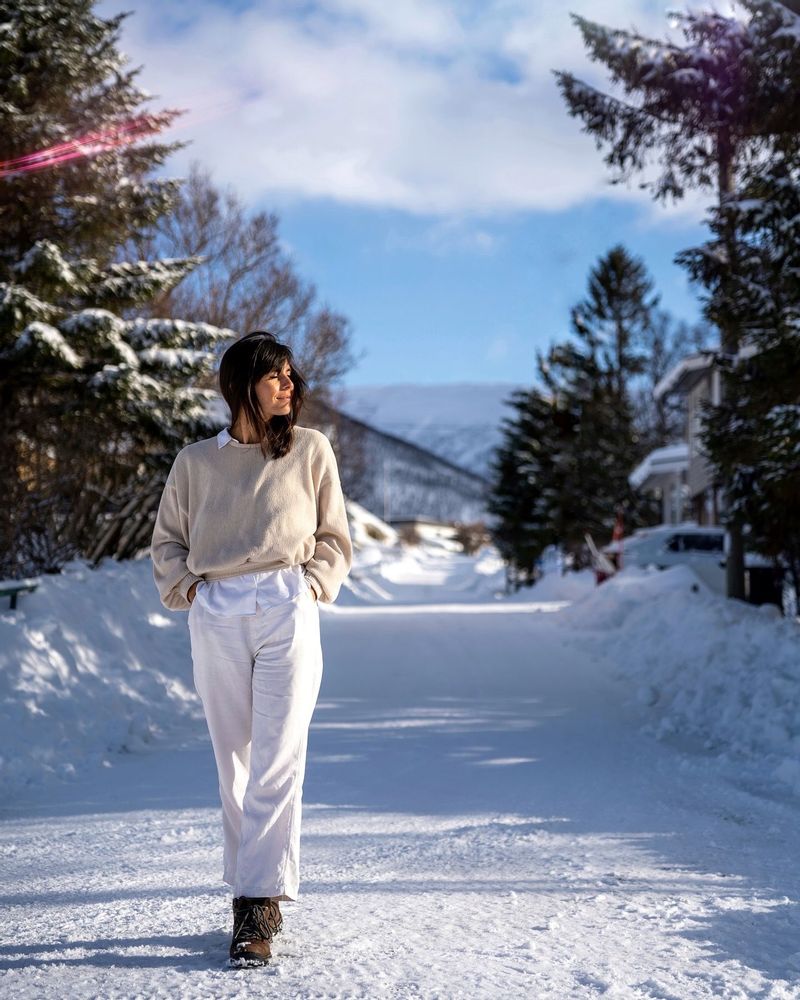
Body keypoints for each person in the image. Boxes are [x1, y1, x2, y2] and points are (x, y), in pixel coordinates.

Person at [150, 331, 352, 968]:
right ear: (242, 385)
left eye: (291, 375)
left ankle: (257, 904)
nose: (290, 385)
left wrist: (310, 586)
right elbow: (167, 543)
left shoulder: (310, 450)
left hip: (286, 605)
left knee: (278, 755)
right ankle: (249, 889)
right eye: (276, 376)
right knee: (233, 758)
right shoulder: (195, 462)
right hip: (218, 611)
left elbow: (334, 536)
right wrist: (190, 590)